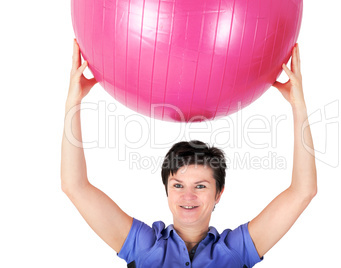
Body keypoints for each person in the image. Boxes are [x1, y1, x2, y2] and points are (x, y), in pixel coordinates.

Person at [61, 39, 317, 267]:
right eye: (178, 184)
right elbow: (75, 186)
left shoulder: (235, 251)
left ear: (219, 193)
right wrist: (73, 102)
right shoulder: (144, 247)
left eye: (201, 186)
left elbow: (303, 191)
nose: (188, 196)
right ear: (167, 190)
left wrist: (298, 106)